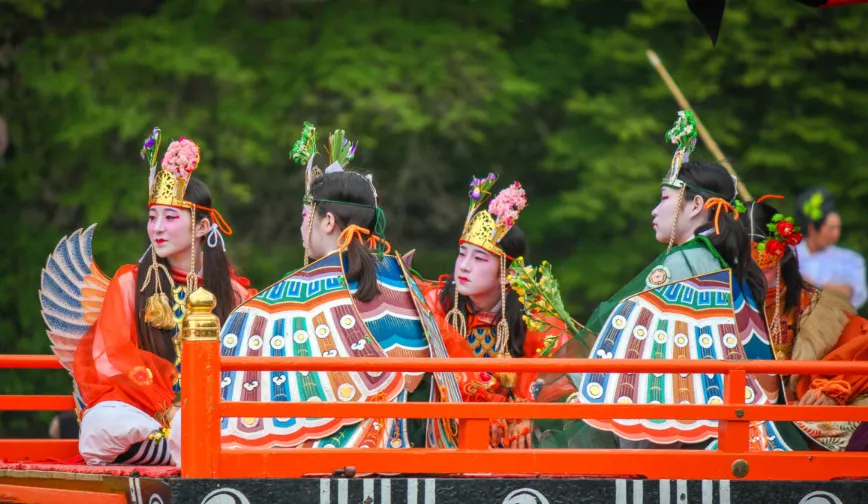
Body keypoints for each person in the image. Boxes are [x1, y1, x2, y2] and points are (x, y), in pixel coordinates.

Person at [534, 110, 806, 451]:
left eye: (664, 199)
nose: (654, 210)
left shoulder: (686, 261)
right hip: (745, 421)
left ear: (695, 205)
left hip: (710, 431)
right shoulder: (721, 260)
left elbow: (613, 321)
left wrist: (555, 378)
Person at [212, 123, 471, 458]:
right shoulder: (405, 281)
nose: (302, 226)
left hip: (333, 457)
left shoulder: (276, 303)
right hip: (417, 450)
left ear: (329, 221)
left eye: (307, 215)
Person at [41, 130, 254, 465]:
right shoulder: (130, 282)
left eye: (170, 218)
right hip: (147, 415)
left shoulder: (234, 293)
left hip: (209, 414)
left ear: (200, 228)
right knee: (101, 426)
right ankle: (172, 451)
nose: (157, 228)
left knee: (203, 424)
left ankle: (171, 450)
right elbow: (110, 357)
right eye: (152, 217)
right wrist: (164, 406)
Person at [418, 174, 573, 448]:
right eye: (462, 253)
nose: (463, 266)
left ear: (505, 275)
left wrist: (524, 411)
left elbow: (553, 375)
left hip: (509, 441)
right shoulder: (433, 304)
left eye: (478, 258)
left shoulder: (533, 316)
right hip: (448, 437)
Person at [747, 200, 868, 451]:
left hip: (800, 424)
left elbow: (857, 351)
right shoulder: (711, 303)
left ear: (778, 254)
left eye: (760, 258)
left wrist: (833, 389)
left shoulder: (824, 311)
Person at [794, 187, 866, 311]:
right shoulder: (789, 253)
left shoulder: (850, 259)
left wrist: (812, 285)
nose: (836, 233)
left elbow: (849, 293)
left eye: (838, 228)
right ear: (812, 228)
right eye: (831, 228)